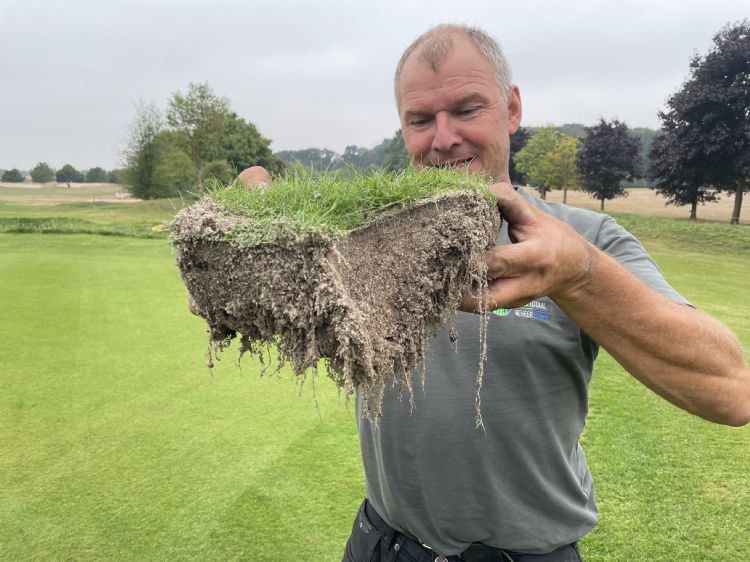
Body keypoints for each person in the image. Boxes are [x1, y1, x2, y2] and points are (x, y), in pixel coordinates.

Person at [235, 24, 750, 562]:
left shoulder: (583, 240)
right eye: (420, 120)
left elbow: (731, 392)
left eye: (466, 109)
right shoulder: (365, 236)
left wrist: (579, 276)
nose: (443, 138)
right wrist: (262, 217)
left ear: (511, 109)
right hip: (382, 544)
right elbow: (280, 282)